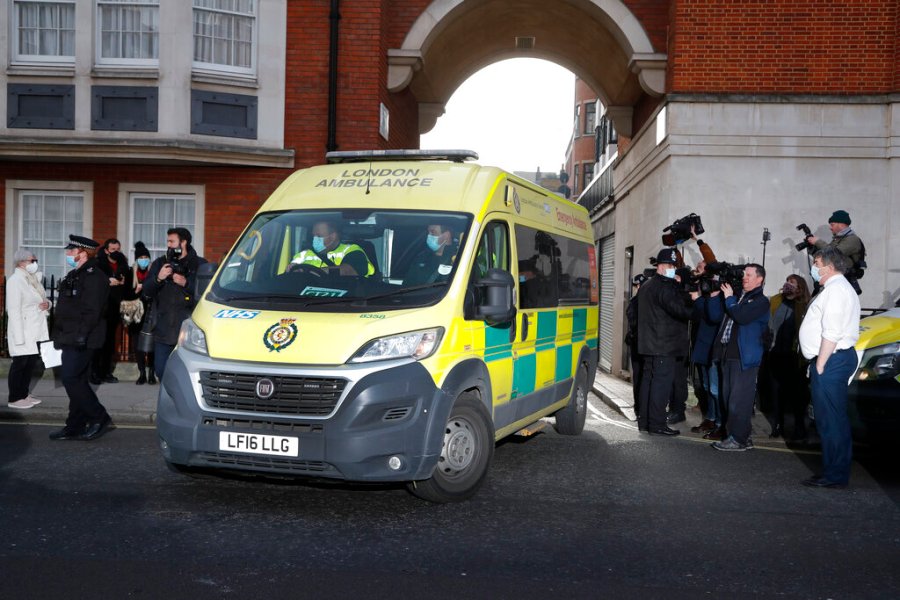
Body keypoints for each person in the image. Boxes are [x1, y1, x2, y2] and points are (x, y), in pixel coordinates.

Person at [798, 247, 860, 488]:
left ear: (829, 266)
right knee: (829, 420)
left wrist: (820, 364)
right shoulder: (836, 289)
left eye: (816, 262)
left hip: (831, 360)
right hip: (832, 360)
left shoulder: (836, 291)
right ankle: (833, 470)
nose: (813, 267)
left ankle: (835, 475)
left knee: (831, 420)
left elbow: (832, 332)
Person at [49, 235, 114, 441]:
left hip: (84, 337)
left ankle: (99, 416)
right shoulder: (76, 274)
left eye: (72, 251)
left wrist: (80, 336)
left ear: (83, 253)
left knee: (70, 378)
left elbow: (91, 311)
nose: (68, 254)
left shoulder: (95, 276)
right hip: (70, 336)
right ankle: (74, 425)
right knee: (76, 379)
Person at [707, 264, 770, 451]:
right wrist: (714, 297)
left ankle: (738, 439)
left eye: (749, 275)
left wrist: (730, 300)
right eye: (744, 274)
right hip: (728, 355)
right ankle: (743, 435)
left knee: (739, 400)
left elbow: (741, 317)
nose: (745, 277)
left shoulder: (760, 300)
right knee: (728, 398)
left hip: (744, 358)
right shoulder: (738, 297)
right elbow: (715, 316)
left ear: (760, 279)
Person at [636, 248, 697, 436]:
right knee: (660, 385)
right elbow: (680, 311)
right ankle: (657, 424)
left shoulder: (647, 285)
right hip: (664, 344)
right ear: (661, 266)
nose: (673, 269)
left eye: (674, 266)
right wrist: (697, 304)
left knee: (648, 382)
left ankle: (645, 422)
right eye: (670, 266)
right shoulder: (664, 286)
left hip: (649, 343)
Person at [142, 227, 207, 378]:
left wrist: (186, 283)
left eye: (172, 241)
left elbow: (205, 294)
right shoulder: (160, 263)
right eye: (168, 241)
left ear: (183, 242)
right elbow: (146, 291)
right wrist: (158, 278)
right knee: (161, 370)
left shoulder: (199, 264)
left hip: (188, 330)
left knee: (185, 374)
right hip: (164, 328)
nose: (169, 245)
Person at [766, 275, 811, 440]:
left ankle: (800, 427)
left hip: (795, 356)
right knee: (776, 392)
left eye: (792, 282)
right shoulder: (776, 300)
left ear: (800, 287)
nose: (788, 284)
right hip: (775, 353)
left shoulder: (804, 305)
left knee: (797, 394)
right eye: (787, 281)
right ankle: (777, 425)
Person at [5, 249, 50, 409]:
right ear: (21, 262)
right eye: (32, 260)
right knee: (20, 363)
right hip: (23, 329)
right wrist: (18, 336)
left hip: (34, 328)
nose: (35, 263)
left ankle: (23, 394)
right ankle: (14, 398)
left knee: (30, 363)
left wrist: (47, 304)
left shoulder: (32, 279)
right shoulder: (15, 281)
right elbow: (14, 309)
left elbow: (42, 299)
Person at [689, 266, 723, 436]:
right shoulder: (706, 297)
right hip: (702, 347)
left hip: (714, 349)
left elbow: (714, 315)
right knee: (706, 386)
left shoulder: (720, 297)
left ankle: (719, 421)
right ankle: (710, 418)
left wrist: (701, 299)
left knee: (715, 388)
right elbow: (696, 315)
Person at [93, 238, 131, 384]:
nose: (116, 252)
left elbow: (128, 286)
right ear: (107, 250)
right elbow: (94, 283)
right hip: (101, 309)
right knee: (98, 342)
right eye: (113, 250)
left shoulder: (123, 264)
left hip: (115, 308)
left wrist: (123, 283)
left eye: (118, 249)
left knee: (110, 342)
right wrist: (108, 281)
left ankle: (106, 372)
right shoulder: (99, 264)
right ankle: (94, 372)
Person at [805, 210, 865, 294]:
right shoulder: (839, 239)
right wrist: (812, 248)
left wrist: (817, 242)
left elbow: (834, 254)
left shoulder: (852, 239)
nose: (830, 227)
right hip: (833, 278)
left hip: (843, 279)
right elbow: (825, 256)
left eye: (832, 224)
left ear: (841, 224)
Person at [289, 220, 374, 277]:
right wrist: (292, 268)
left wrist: (311, 272)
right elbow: (292, 270)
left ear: (333, 236)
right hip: (305, 300)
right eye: (313, 236)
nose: (314, 239)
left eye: (319, 236)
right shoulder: (304, 254)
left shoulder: (352, 251)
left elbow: (346, 271)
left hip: (346, 301)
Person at [126, 242, 156, 385]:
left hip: (150, 313)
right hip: (135, 313)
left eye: (146, 257)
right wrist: (136, 291)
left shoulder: (153, 272)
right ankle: (142, 372)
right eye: (141, 257)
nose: (144, 259)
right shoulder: (130, 272)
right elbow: (125, 294)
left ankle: (151, 373)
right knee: (138, 345)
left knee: (150, 345)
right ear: (137, 259)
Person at [625, 273, 647, 417]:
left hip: (638, 344)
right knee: (644, 377)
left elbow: (631, 320)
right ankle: (642, 407)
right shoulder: (647, 301)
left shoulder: (634, 302)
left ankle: (639, 408)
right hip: (645, 344)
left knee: (639, 376)